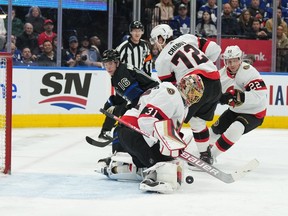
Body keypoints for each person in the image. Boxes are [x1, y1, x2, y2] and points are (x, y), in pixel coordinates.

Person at [97, 74, 205, 193]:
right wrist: (164, 145)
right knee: (165, 161)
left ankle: (120, 167)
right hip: (133, 131)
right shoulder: (172, 95)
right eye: (192, 92)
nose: (193, 97)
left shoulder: (181, 103)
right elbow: (146, 120)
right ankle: (153, 177)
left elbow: (167, 129)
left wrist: (174, 143)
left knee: (166, 157)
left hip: (132, 133)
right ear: (185, 87)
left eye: (196, 96)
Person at [150, 24, 222, 164]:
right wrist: (203, 67)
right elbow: (215, 49)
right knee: (197, 120)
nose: (155, 46)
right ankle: (205, 155)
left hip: (194, 86)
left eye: (155, 41)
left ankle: (168, 152)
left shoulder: (161, 61)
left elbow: (170, 90)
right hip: (215, 82)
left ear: (161, 38)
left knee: (174, 116)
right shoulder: (187, 38)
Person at [208, 45, 267, 161]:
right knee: (214, 131)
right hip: (235, 110)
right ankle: (203, 153)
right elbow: (213, 95)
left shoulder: (249, 72)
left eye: (235, 60)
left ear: (240, 59)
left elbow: (260, 96)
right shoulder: (220, 75)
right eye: (229, 61)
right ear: (225, 61)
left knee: (236, 128)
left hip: (254, 113)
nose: (232, 64)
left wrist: (235, 96)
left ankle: (211, 157)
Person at [97, 49, 159, 141]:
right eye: (105, 65)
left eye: (110, 63)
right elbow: (124, 98)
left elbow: (136, 98)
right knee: (124, 112)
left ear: (117, 62)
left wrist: (123, 109)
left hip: (152, 96)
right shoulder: (120, 71)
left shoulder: (121, 75)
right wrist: (111, 102)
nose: (108, 67)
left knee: (127, 118)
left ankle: (121, 142)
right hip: (153, 94)